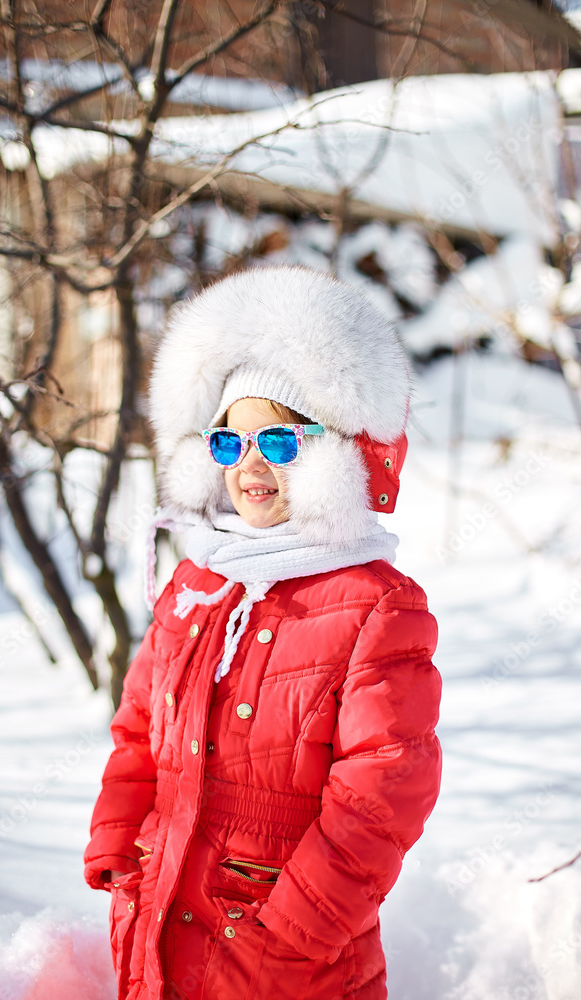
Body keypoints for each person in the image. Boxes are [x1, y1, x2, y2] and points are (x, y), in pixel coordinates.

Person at [84, 266, 442, 1000]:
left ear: (331, 452)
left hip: (288, 949)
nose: (250, 464)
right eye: (228, 443)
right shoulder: (197, 584)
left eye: (278, 442)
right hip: (159, 909)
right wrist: (120, 842)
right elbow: (139, 731)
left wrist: (296, 929)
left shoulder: (375, 603)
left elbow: (383, 788)